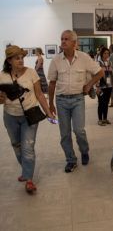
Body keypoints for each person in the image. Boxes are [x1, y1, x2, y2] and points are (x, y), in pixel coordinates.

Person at [0, 45, 56, 193]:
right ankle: (26, 170)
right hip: (10, 116)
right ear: (9, 60)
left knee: (28, 147)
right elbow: (1, 99)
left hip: (29, 116)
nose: (21, 60)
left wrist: (49, 112)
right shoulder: (2, 76)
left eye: (22, 57)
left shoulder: (31, 73)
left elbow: (39, 95)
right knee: (16, 145)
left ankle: (29, 179)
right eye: (17, 58)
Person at [48, 30, 103, 173]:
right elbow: (52, 83)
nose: (63, 42)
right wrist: (50, 104)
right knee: (65, 134)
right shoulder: (56, 60)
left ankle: (84, 151)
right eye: (61, 39)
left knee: (79, 131)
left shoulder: (84, 58)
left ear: (74, 43)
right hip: (61, 101)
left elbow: (100, 72)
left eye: (66, 39)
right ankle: (71, 160)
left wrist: (89, 84)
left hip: (78, 99)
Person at [96, 47, 113, 126]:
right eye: (105, 53)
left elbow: (111, 74)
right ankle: (100, 120)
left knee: (106, 103)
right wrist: (97, 87)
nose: (106, 55)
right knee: (101, 103)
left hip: (108, 86)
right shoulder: (98, 63)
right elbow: (96, 75)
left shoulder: (110, 62)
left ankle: (105, 118)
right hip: (101, 87)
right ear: (101, 54)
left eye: (107, 53)